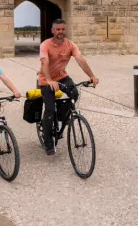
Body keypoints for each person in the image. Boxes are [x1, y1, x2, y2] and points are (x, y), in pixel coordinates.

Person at [38, 18, 99, 156]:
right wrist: (49, 80)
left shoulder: (70, 44)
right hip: (45, 80)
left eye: (63, 29)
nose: (61, 32)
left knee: (74, 93)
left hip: (62, 77)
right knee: (48, 109)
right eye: (58, 29)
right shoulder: (45, 45)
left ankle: (59, 119)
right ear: (53, 31)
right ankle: (47, 140)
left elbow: (80, 60)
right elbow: (44, 63)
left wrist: (91, 76)